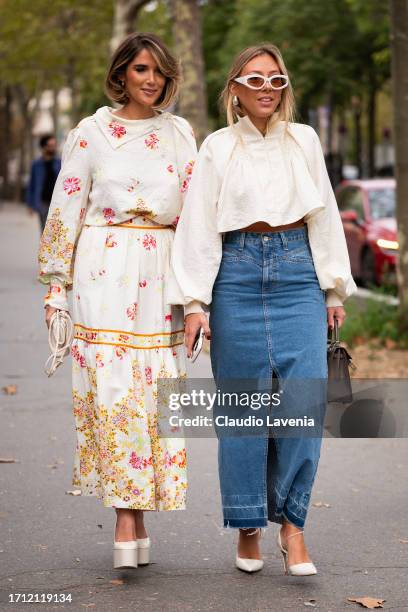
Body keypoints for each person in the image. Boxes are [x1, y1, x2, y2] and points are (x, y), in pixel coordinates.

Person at [167, 43, 357, 574]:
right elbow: (201, 223)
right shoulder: (217, 148)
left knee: (304, 407)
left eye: (276, 80)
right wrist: (195, 303)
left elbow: (325, 216)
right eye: (255, 80)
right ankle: (248, 523)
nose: (267, 90)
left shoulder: (305, 141)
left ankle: (293, 527)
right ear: (235, 89)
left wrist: (332, 290)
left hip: (298, 273)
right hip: (237, 274)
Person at [38, 32, 196, 569]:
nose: (151, 80)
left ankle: (141, 508)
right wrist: (56, 288)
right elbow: (65, 209)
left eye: (158, 71)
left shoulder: (179, 133)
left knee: (155, 394)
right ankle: (126, 517)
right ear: (121, 74)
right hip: (102, 270)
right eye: (141, 69)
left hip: (160, 274)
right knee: (110, 388)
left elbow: (196, 215)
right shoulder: (92, 132)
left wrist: (200, 293)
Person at [27, 134, 61, 231]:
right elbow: (32, 184)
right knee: (44, 229)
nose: (53, 148)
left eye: (54, 145)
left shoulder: (59, 163)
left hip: (57, 202)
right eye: (50, 146)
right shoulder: (36, 164)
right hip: (43, 202)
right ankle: (44, 246)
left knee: (56, 230)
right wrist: (30, 204)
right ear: (43, 147)